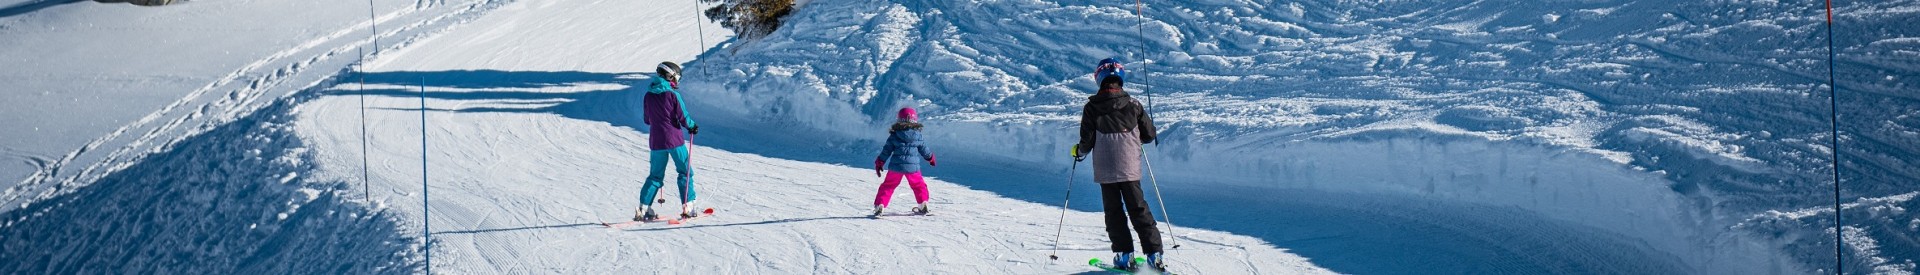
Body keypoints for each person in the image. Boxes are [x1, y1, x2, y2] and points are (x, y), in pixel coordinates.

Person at [1070, 58, 1164, 271]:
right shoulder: (1134, 105)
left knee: (1114, 212)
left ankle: (1124, 256)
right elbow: (1149, 135)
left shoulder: (1091, 107)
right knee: (1139, 209)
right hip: (1129, 166)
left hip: (1106, 168)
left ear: (1099, 79)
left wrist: (1079, 152)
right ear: (1120, 78)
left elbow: (1087, 141)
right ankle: (1154, 257)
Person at [637, 61, 701, 221]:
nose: (676, 81)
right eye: (676, 78)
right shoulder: (672, 95)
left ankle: (643, 209)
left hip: (656, 141)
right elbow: (683, 116)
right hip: (674, 140)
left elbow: (647, 119)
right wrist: (692, 126)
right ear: (670, 76)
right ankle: (688, 206)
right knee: (685, 171)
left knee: (655, 176)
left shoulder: (648, 95)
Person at [872, 107, 937, 216]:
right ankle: (923, 204)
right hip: (913, 168)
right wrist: (930, 158)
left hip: (896, 168)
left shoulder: (894, 135)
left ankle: (880, 206)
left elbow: (886, 150)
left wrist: (880, 162)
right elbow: (924, 149)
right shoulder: (918, 135)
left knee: (888, 186)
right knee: (919, 185)